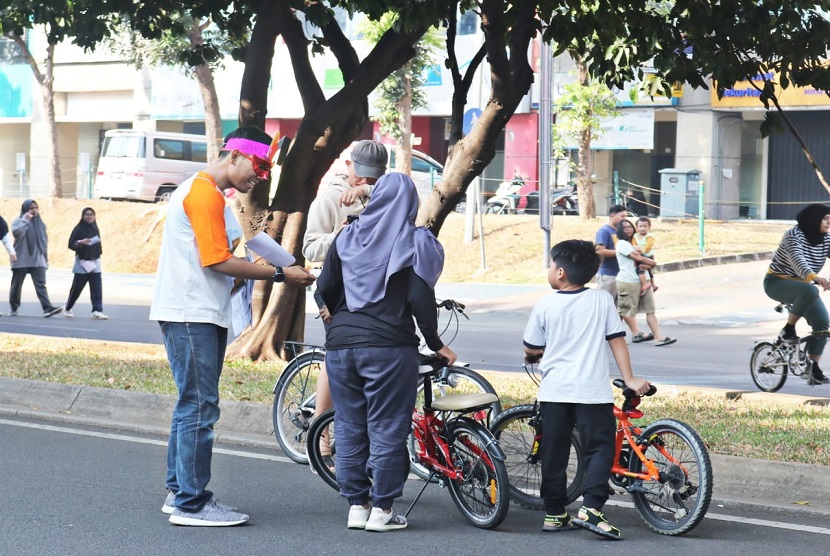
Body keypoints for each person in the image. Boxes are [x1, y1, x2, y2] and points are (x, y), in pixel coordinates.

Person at [150, 126, 316, 527]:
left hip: (194, 311)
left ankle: (179, 492)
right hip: (192, 313)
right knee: (200, 405)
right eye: (257, 167)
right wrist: (280, 274)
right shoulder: (204, 194)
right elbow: (217, 260)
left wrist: (279, 265)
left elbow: (239, 249)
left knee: (191, 402)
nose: (259, 176)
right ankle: (191, 502)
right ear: (234, 156)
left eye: (265, 170)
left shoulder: (210, 194)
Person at [316, 172, 456, 532]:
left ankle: (356, 506)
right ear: (410, 203)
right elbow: (421, 301)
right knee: (387, 426)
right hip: (389, 348)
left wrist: (343, 322)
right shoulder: (412, 241)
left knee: (348, 424)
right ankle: (381, 510)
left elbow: (324, 288)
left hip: (341, 347)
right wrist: (437, 344)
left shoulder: (347, 235)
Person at [523, 239, 650, 540]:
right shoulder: (601, 300)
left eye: (551, 265)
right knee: (599, 449)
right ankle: (591, 506)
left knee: (554, 452)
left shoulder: (545, 304)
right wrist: (629, 378)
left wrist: (532, 355)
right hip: (592, 392)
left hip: (554, 392)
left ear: (561, 273)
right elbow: (616, 338)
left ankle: (555, 513)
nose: (549, 270)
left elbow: (531, 346)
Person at [303, 140, 388, 467]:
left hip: (371, 288)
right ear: (348, 164)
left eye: (373, 177)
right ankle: (319, 436)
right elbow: (309, 249)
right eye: (361, 175)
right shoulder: (328, 198)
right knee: (337, 354)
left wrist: (367, 194)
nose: (364, 181)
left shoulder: (379, 194)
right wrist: (339, 236)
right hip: (334, 287)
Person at [764, 203, 830, 384]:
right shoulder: (793, 235)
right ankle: (788, 329)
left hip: (804, 288)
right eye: (825, 218)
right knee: (810, 289)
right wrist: (815, 278)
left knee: (823, 323)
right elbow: (798, 261)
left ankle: (813, 368)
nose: (829, 222)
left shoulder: (826, 238)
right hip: (777, 282)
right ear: (814, 219)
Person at [615, 219, 676, 346]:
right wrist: (652, 262)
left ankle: (659, 337)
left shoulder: (634, 242)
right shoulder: (622, 244)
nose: (628, 229)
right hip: (628, 281)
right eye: (625, 227)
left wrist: (649, 265)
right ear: (620, 230)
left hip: (644, 280)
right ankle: (615, 336)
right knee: (625, 311)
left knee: (650, 309)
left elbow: (643, 258)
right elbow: (637, 258)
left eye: (630, 226)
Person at [9, 199, 62, 318]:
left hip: (38, 260)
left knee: (41, 285)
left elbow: (44, 242)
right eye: (31, 208)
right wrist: (26, 220)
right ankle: (14, 307)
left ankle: (47, 308)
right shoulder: (18, 221)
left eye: (36, 208)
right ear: (25, 210)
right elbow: (17, 233)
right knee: (17, 285)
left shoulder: (41, 224)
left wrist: (46, 259)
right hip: (22, 259)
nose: (34, 210)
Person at [63, 207, 107, 319]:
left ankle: (97, 310)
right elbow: (71, 244)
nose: (89, 216)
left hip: (95, 261)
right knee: (77, 288)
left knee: (96, 287)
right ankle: (68, 307)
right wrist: (81, 242)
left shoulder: (95, 228)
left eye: (91, 214)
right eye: (86, 214)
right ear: (82, 216)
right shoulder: (78, 229)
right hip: (82, 262)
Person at [594, 204, 628, 300]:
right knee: (605, 305)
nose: (624, 219)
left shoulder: (621, 231)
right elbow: (600, 251)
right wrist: (621, 253)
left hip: (622, 274)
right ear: (612, 216)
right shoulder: (604, 231)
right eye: (622, 216)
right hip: (608, 275)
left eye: (626, 216)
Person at [632, 215, 658, 295]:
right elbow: (634, 243)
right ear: (636, 227)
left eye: (645, 226)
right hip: (639, 255)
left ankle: (645, 284)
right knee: (647, 271)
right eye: (640, 226)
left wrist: (642, 251)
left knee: (641, 269)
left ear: (649, 227)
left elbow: (649, 246)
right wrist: (635, 248)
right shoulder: (635, 236)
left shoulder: (649, 236)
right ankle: (652, 285)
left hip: (648, 256)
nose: (642, 228)